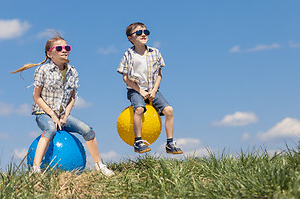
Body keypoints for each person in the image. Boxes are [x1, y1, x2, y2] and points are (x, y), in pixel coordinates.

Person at [12, 32, 114, 176]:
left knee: (87, 130)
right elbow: (36, 97)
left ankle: (99, 165)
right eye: (59, 49)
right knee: (51, 129)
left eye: (67, 47)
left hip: (62, 115)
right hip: (43, 114)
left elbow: (72, 97)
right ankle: (35, 169)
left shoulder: (73, 72)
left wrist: (65, 114)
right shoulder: (42, 70)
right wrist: (52, 114)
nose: (64, 50)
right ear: (49, 54)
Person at [117, 22, 183, 154]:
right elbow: (125, 78)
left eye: (145, 32)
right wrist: (140, 91)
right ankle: (138, 141)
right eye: (139, 32)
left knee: (169, 110)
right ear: (130, 38)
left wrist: (153, 91)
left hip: (153, 90)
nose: (143, 35)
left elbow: (159, 74)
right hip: (135, 90)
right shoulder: (128, 55)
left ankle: (170, 143)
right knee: (140, 109)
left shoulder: (155, 53)